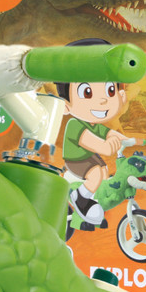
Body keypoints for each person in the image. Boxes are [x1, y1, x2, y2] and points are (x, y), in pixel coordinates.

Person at [56, 38, 129, 228]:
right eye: (87, 92)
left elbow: (108, 133)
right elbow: (97, 144)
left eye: (110, 89)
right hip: (75, 161)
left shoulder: (94, 124)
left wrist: (124, 139)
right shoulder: (75, 125)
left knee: (104, 173)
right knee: (96, 174)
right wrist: (107, 146)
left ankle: (85, 215)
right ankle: (80, 197)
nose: (103, 100)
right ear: (66, 104)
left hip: (88, 159)